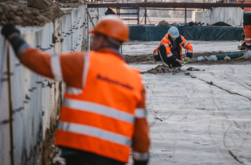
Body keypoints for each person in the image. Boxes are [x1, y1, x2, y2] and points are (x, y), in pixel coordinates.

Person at [1, 15, 150, 165]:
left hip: (79, 152)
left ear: (101, 39)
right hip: (115, 157)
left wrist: (13, 36)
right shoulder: (135, 80)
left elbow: (37, 61)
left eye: (94, 37)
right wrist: (141, 160)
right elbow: (141, 131)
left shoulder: (83, 63)